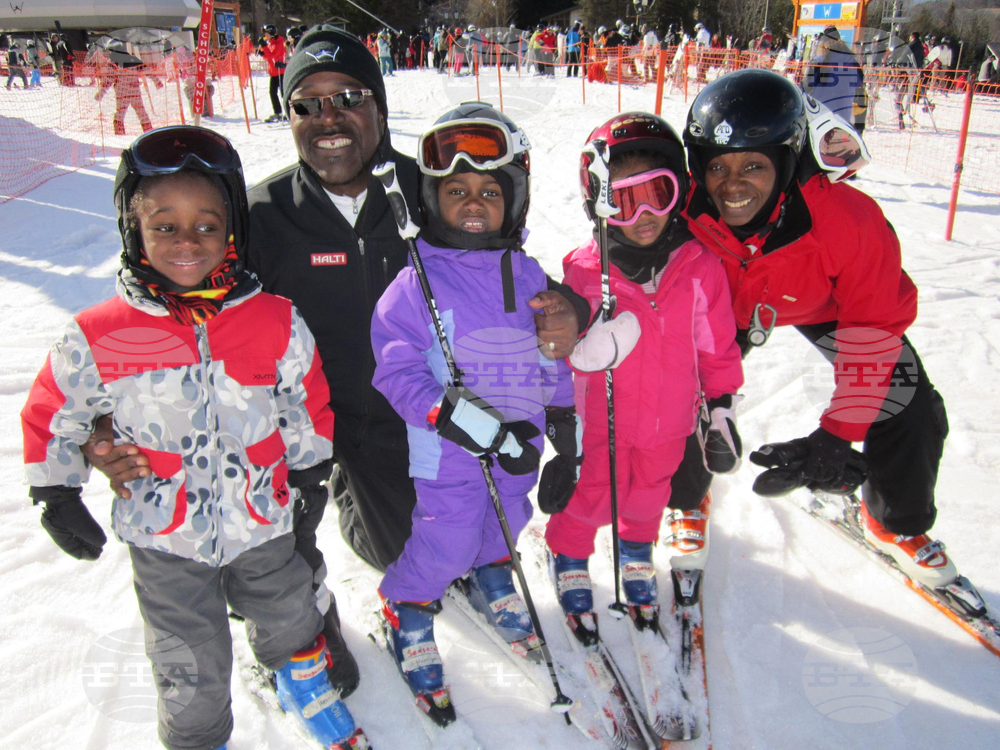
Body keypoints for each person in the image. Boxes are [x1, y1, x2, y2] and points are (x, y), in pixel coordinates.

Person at [81, 23, 586, 693]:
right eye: (306, 103)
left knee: (474, 520)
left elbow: (512, 271)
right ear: (288, 115)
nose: (329, 118)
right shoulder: (259, 216)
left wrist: (568, 310)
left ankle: (473, 556)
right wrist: (103, 419)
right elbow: (169, 304)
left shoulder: (436, 186)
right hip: (321, 423)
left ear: (377, 105)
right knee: (381, 547)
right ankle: (300, 607)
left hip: (436, 417)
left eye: (348, 95)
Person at [21, 126, 363, 750]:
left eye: (206, 225)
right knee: (187, 657)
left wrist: (312, 474)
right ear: (134, 230)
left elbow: (306, 402)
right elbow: (54, 410)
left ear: (232, 227)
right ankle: (197, 736)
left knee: (290, 610)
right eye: (164, 226)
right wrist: (56, 491)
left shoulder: (274, 319)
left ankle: (302, 680)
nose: (187, 243)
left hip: (262, 517)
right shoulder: (100, 334)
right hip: (165, 534)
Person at [680, 69, 958, 590]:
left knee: (909, 404)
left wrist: (837, 436)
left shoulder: (849, 221)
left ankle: (893, 522)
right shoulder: (685, 208)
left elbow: (872, 332)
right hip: (725, 306)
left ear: (788, 163)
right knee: (679, 386)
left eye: (755, 165)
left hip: (820, 303)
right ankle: (684, 495)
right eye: (718, 166)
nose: (732, 185)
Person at [371, 102, 575, 717]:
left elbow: (551, 350)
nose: (473, 202)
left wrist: (563, 415)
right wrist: (445, 412)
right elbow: (395, 367)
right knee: (449, 538)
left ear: (514, 199)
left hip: (521, 442)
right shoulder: (415, 282)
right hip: (451, 451)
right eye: (456, 190)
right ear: (433, 200)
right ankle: (407, 603)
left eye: (490, 190)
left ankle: (493, 575)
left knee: (510, 521)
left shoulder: (528, 270)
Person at [545, 112, 743, 639]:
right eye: (626, 200)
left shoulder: (699, 266)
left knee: (651, 491)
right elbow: (562, 350)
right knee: (592, 493)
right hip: (602, 422)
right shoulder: (586, 272)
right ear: (600, 202)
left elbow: (717, 346)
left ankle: (635, 551)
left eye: (659, 191)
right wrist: (561, 423)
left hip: (670, 422)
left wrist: (720, 408)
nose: (646, 214)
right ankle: (568, 552)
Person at [803, 26, 867, 135]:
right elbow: (860, 82)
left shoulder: (820, 60)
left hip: (820, 117)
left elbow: (805, 87)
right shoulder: (852, 61)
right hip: (843, 119)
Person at [95, 48, 153, 136]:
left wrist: (101, 92)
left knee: (121, 112)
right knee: (140, 111)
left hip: (122, 91)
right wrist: (156, 81)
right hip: (134, 90)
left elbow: (108, 80)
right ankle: (148, 130)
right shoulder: (133, 60)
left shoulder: (112, 63)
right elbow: (146, 69)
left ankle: (120, 132)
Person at [259, 24, 287, 122]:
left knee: (284, 94)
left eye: (266, 33)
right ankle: (278, 112)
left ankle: (289, 112)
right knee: (272, 93)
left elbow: (273, 55)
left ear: (271, 33)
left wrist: (264, 46)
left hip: (280, 72)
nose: (265, 35)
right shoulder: (271, 42)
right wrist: (263, 53)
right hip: (273, 72)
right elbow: (268, 57)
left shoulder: (279, 43)